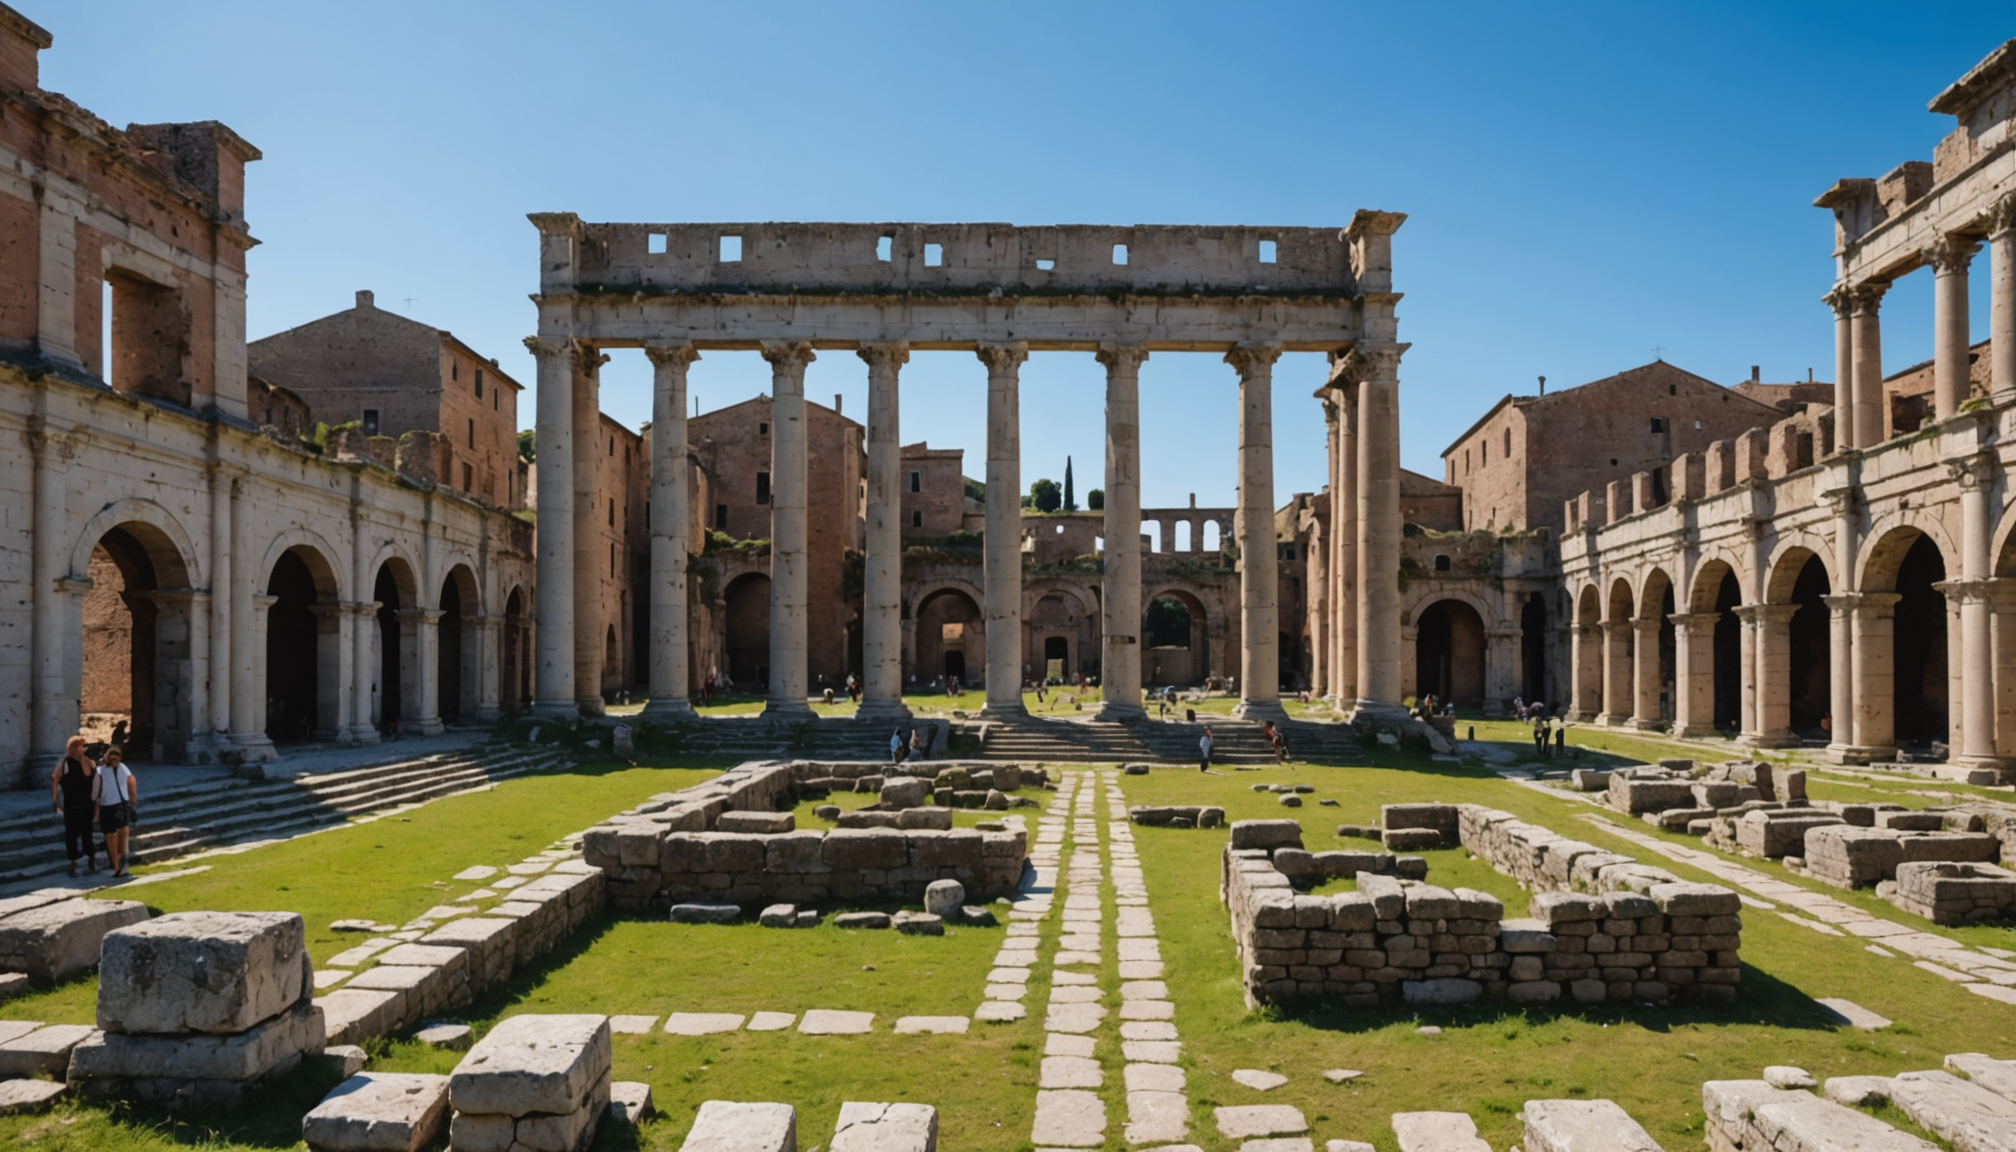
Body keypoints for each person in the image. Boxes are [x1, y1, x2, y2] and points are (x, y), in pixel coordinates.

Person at [51, 735, 97, 876]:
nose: (79, 749)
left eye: (81, 746)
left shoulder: (89, 763)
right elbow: (56, 780)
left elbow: (96, 781)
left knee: (87, 834)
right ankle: (73, 863)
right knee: (71, 835)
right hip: (71, 805)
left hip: (87, 805)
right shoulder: (65, 762)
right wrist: (55, 800)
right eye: (76, 746)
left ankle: (91, 862)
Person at [94, 745, 137, 878]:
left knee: (117, 835)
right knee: (115, 835)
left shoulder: (111, 769)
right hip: (113, 805)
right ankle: (118, 866)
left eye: (115, 757)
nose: (114, 760)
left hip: (117, 804)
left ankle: (119, 864)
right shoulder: (102, 770)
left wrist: (132, 799)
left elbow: (131, 781)